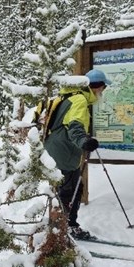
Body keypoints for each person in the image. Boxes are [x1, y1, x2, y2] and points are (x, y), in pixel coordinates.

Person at [43, 68, 110, 240]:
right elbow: (74, 126)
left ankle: (63, 226)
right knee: (68, 191)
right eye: (103, 89)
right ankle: (63, 229)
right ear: (98, 87)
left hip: (58, 149)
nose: (103, 93)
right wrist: (84, 141)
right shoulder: (79, 100)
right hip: (64, 152)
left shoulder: (69, 97)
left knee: (69, 189)